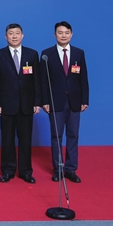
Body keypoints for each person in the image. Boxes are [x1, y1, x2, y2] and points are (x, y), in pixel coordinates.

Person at [0, 23, 41, 184]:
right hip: (6, 104)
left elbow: (37, 80)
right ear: (6, 37)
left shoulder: (32, 54)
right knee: (7, 139)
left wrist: (37, 102)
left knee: (26, 140)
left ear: (22, 35)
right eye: (11, 33)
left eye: (17, 33)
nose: (14, 36)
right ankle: (8, 170)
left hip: (27, 104)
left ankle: (26, 171)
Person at [40, 21, 89, 183]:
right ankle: (58, 169)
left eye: (67, 32)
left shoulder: (79, 53)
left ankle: (71, 169)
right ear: (55, 35)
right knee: (56, 136)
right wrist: (45, 101)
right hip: (55, 101)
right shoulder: (46, 54)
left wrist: (84, 99)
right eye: (60, 33)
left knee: (73, 135)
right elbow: (43, 81)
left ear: (71, 34)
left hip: (75, 101)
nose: (63, 35)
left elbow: (83, 78)